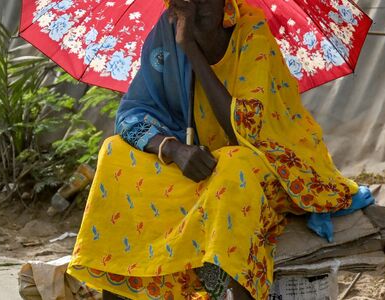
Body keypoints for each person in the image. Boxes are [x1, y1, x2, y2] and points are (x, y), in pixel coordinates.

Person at [67, 0, 362, 298]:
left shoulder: (251, 33)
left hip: (267, 158)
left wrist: (192, 51)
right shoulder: (166, 32)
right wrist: (173, 149)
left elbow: (242, 130)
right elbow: (133, 113)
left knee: (232, 165)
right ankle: (119, 285)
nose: (198, 6)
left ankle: (231, 279)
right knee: (114, 152)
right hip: (201, 163)